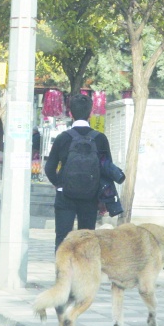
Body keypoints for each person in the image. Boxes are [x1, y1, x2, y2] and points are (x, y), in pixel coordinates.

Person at [45, 94, 113, 250]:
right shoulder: (100, 138)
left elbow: (49, 168)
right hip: (90, 197)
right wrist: (104, 197)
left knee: (63, 238)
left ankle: (62, 273)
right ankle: (85, 272)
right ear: (90, 113)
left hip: (65, 196)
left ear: (70, 113)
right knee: (86, 240)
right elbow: (107, 169)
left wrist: (59, 184)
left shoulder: (62, 138)